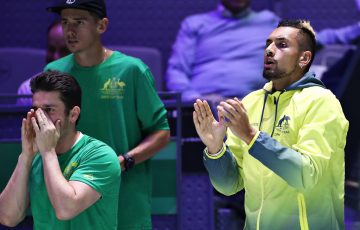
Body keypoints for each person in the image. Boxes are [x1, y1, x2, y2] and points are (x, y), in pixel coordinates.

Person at [193, 19, 349, 229]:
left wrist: (251, 136)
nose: (269, 50)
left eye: (281, 44)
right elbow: (228, 186)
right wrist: (215, 149)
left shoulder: (322, 102)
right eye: (268, 43)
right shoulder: (250, 103)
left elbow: (306, 175)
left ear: (304, 58)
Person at [45, 0, 170, 229]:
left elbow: (161, 133)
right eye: (65, 22)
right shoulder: (53, 74)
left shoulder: (132, 70)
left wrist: (122, 162)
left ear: (101, 26)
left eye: (79, 22)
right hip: (70, 204)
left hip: (125, 206)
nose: (70, 31)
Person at [166, 0, 360, 102]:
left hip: (256, 105)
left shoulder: (267, 21)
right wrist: (194, 99)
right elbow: (177, 70)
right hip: (203, 106)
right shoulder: (195, 24)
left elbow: (312, 39)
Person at [0, 71, 121, 229]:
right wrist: (26, 156)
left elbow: (66, 209)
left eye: (49, 110)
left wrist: (48, 152)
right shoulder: (36, 156)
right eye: (35, 109)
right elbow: (8, 218)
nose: (39, 117)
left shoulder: (100, 155)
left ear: (73, 114)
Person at [17, 20, 70, 105]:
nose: (55, 57)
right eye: (51, 49)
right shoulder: (27, 90)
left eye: (63, 51)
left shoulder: (87, 87)